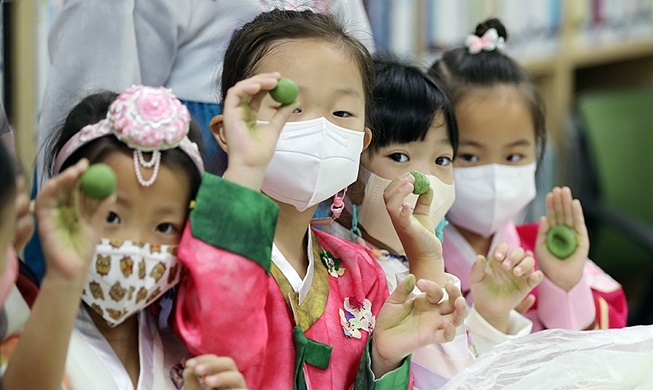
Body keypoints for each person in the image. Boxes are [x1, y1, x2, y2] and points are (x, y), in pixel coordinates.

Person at [174, 9, 467, 389]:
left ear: (361, 143)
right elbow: (216, 346)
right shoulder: (204, 247)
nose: (321, 127)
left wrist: (384, 361)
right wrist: (245, 168)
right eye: (290, 107)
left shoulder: (361, 272)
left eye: (342, 112)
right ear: (227, 131)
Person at [323, 55, 543, 387]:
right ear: (352, 171)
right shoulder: (337, 270)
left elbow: (467, 376)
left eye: (442, 159)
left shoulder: (424, 265)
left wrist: (491, 315)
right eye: (399, 157)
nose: (426, 178)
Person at [429, 18, 628, 349]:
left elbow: (589, 354)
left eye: (513, 157)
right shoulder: (412, 262)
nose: (494, 175)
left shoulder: (543, 250)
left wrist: (563, 283)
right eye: (470, 157)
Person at [37, 85, 245, 389]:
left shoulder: (187, 358)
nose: (134, 245)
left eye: (163, 227)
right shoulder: (31, 350)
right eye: (111, 217)